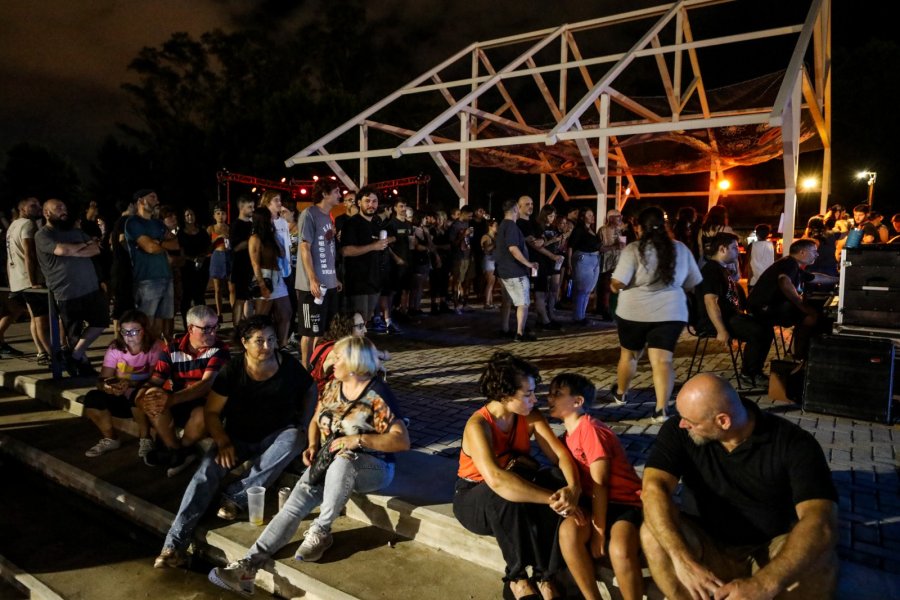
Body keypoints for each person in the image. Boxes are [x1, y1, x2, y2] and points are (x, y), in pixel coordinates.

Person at [208, 336, 409, 595]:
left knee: (344, 460)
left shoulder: (376, 395)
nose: (330, 360)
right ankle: (247, 567)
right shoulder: (336, 387)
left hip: (375, 468)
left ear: (355, 362)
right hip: (329, 460)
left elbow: (402, 440)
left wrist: (357, 439)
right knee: (293, 505)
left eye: (337, 357)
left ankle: (322, 531)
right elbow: (316, 418)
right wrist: (313, 445)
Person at [640, 373, 838, 599]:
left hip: (770, 549)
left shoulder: (794, 443)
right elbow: (653, 488)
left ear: (723, 421)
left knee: (823, 563)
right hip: (707, 546)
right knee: (652, 533)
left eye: (691, 422)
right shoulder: (678, 430)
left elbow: (821, 521)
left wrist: (764, 584)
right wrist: (683, 561)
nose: (683, 423)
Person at [154, 315, 317, 569]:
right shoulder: (232, 371)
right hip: (237, 438)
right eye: (260, 341)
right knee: (205, 473)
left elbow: (310, 389)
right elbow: (211, 413)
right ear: (245, 342)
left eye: (272, 340)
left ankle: (236, 497)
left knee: (294, 438)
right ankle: (173, 545)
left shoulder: (288, 365)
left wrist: (305, 422)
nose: (267, 346)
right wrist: (222, 441)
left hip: (274, 437)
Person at [453, 351, 581, 600]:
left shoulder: (529, 416)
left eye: (534, 391)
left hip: (514, 490)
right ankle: (517, 578)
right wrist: (551, 499)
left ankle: (546, 576)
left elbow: (560, 456)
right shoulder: (478, 425)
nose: (536, 399)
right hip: (475, 499)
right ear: (504, 394)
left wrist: (573, 488)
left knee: (557, 478)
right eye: (528, 394)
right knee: (502, 493)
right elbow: (497, 480)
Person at [548, 373, 644, 600]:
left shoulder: (590, 429)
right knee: (568, 533)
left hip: (624, 501)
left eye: (557, 394)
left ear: (578, 401)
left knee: (619, 550)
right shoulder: (567, 436)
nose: (549, 398)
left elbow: (601, 484)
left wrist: (599, 533)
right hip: (595, 502)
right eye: (550, 392)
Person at [610, 206, 702, 422]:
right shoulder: (680, 249)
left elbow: (618, 283)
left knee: (629, 355)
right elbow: (692, 283)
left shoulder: (633, 249)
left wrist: (615, 287)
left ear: (639, 227)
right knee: (663, 361)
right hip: (670, 312)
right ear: (665, 226)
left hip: (634, 312)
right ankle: (661, 410)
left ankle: (621, 394)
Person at [135, 305, 230, 475]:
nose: (213, 333)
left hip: (204, 401)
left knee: (203, 413)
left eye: (215, 327)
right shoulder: (172, 349)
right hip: (181, 400)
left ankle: (182, 449)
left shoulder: (220, 349)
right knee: (151, 395)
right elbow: (155, 380)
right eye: (206, 328)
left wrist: (171, 399)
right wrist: (142, 395)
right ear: (190, 328)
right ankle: (175, 449)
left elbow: (206, 385)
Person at [35, 198, 109, 376]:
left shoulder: (75, 231)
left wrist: (76, 249)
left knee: (101, 322)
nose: (64, 210)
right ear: (47, 213)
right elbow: (62, 250)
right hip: (66, 291)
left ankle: (74, 356)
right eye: (58, 208)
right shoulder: (43, 235)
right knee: (73, 333)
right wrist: (84, 246)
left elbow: (97, 249)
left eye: (65, 207)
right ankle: (81, 365)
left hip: (90, 287)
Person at [82, 310, 165, 459]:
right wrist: (108, 387)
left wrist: (129, 383)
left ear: (144, 330)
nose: (128, 337)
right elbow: (102, 379)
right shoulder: (115, 348)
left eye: (134, 332)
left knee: (138, 394)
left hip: (144, 397)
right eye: (124, 332)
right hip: (120, 396)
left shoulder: (156, 347)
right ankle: (111, 438)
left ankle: (145, 439)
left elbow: (156, 378)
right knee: (92, 399)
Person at [697, 232, 774, 386]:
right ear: (722, 249)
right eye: (734, 247)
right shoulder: (711, 271)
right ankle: (750, 373)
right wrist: (721, 330)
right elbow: (710, 301)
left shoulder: (721, 268)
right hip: (717, 321)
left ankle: (753, 370)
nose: (738, 251)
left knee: (765, 326)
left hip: (731, 316)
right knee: (759, 331)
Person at [747, 238, 835, 360]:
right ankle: (800, 356)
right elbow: (784, 281)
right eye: (814, 251)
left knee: (811, 314)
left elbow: (815, 277)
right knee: (812, 316)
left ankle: (797, 352)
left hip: (769, 306)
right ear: (802, 252)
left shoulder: (794, 265)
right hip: (763, 308)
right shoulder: (789, 263)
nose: (817, 254)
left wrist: (837, 280)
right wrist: (801, 305)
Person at [296, 179, 342, 367]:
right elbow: (304, 248)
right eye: (337, 191)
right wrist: (313, 279)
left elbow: (327, 250)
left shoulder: (328, 216)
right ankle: (306, 370)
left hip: (329, 282)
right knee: (309, 331)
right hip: (312, 286)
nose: (340, 195)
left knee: (323, 330)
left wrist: (334, 277)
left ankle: (317, 368)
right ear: (324, 194)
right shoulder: (309, 214)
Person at [125, 189, 179, 338]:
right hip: (146, 279)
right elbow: (149, 247)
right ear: (141, 201)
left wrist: (158, 242)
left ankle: (154, 358)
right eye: (152, 197)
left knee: (160, 324)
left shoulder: (158, 223)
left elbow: (175, 243)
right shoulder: (133, 222)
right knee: (146, 324)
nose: (157, 200)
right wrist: (157, 243)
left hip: (166, 277)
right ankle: (142, 358)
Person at [4, 197, 49, 361]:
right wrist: (33, 281)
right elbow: (29, 253)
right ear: (22, 208)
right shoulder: (27, 225)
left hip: (17, 279)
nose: (38, 207)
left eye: (39, 204)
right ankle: (49, 353)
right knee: (41, 319)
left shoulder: (12, 226)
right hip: (28, 280)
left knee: (34, 317)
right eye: (33, 205)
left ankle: (41, 351)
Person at [341, 187, 393, 325]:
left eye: (374, 201)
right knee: (357, 320)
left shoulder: (376, 224)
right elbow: (345, 251)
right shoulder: (352, 224)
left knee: (366, 320)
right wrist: (373, 246)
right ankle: (352, 346)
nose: (371, 204)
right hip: (358, 282)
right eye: (367, 201)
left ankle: (361, 344)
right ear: (359, 203)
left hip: (374, 280)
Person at [495, 198, 539, 341]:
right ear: (515, 210)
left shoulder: (502, 225)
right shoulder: (512, 226)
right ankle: (520, 333)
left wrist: (524, 241)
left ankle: (504, 328)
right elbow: (513, 248)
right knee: (523, 303)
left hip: (503, 271)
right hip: (515, 271)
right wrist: (528, 264)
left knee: (507, 301)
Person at [248, 206, 292, 347]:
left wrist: (274, 235)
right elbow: (255, 264)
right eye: (269, 217)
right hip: (265, 276)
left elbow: (282, 253)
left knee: (286, 312)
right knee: (261, 318)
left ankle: (282, 344)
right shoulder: (255, 238)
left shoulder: (271, 236)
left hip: (277, 276)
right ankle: (255, 343)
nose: (272, 219)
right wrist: (262, 285)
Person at [178, 208, 211, 329]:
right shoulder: (180, 233)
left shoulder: (202, 232)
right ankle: (187, 326)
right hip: (187, 267)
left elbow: (209, 248)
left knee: (200, 296)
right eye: (187, 215)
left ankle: (202, 325)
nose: (189, 216)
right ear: (184, 218)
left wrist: (202, 258)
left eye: (191, 214)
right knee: (186, 297)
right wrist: (193, 259)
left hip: (202, 267)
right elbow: (180, 252)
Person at [568, 207, 602, 326]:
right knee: (581, 290)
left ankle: (582, 315)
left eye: (593, 214)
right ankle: (578, 317)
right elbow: (571, 246)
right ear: (583, 217)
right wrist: (569, 263)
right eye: (589, 215)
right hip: (583, 259)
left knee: (587, 290)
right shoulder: (579, 230)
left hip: (595, 259)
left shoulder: (591, 230)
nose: (592, 216)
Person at [229, 196, 256, 326]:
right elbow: (236, 247)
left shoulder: (252, 224)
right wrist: (252, 240)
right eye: (249, 207)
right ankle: (237, 326)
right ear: (241, 208)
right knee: (240, 298)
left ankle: (248, 326)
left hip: (252, 266)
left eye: (253, 206)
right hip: (241, 266)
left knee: (249, 298)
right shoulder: (236, 225)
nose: (253, 209)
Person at [596, 209, 625, 321]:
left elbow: (622, 246)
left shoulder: (619, 230)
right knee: (606, 288)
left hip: (618, 262)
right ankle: (605, 310)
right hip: (607, 263)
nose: (620, 218)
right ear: (611, 218)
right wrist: (615, 246)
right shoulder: (603, 230)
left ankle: (614, 310)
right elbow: (600, 248)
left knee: (616, 287)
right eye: (618, 216)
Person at [207, 204, 232, 319]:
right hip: (216, 255)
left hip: (228, 255)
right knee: (217, 288)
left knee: (231, 286)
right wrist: (217, 238)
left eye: (223, 213)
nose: (220, 216)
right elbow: (207, 247)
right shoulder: (211, 228)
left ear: (226, 215)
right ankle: (219, 312)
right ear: (214, 216)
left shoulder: (230, 228)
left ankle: (234, 311)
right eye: (218, 214)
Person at [747, 223, 774, 290]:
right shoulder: (772, 245)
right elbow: (774, 262)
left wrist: (749, 278)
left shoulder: (752, 245)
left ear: (756, 234)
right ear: (768, 234)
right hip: (768, 279)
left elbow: (748, 263)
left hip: (754, 279)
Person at [481, 218, 499, 309]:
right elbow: (486, 249)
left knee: (492, 282)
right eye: (495, 225)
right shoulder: (486, 236)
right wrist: (495, 243)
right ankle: (487, 303)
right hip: (488, 260)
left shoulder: (495, 236)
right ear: (490, 227)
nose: (497, 227)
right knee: (490, 282)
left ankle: (490, 302)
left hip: (494, 260)